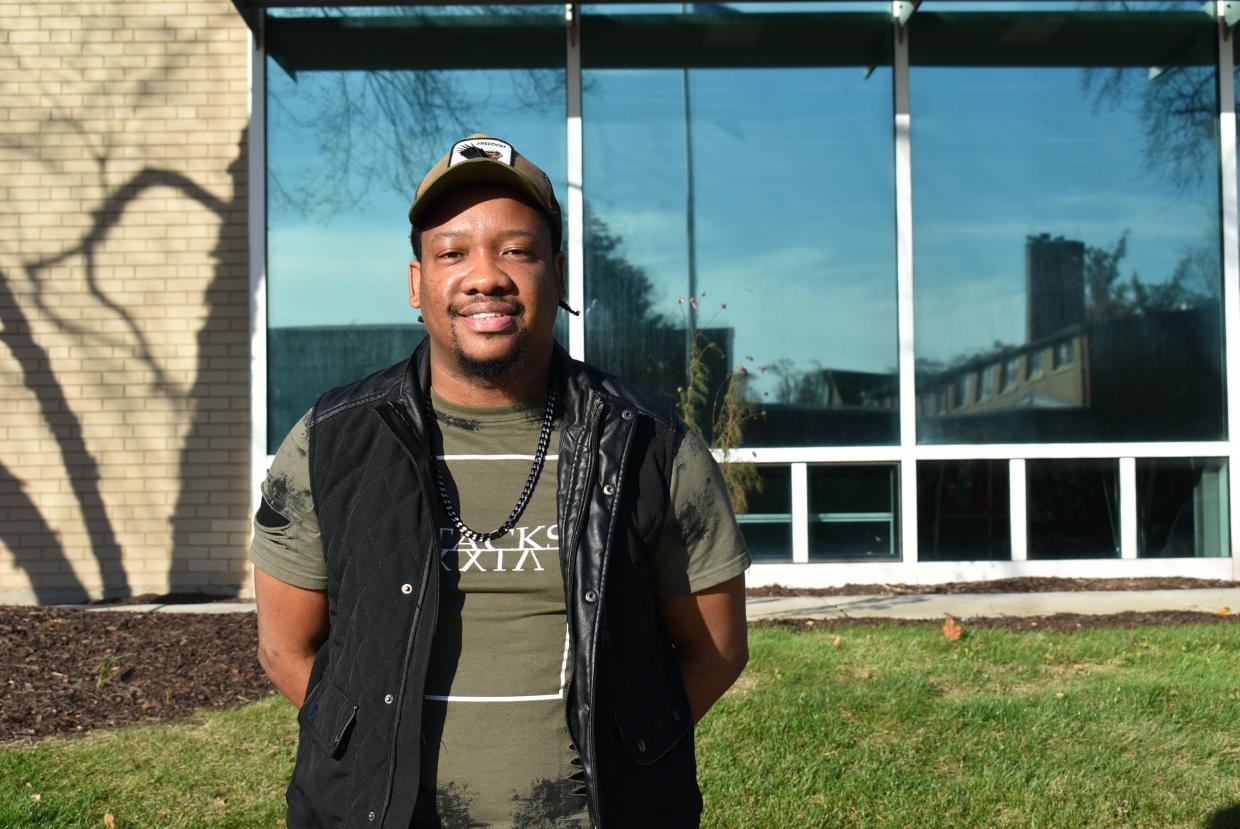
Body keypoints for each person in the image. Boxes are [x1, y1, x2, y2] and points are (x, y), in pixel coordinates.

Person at [250, 134, 751, 829]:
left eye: (517, 250)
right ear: (416, 283)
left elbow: (716, 649)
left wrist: (625, 753)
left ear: (560, 273)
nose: (484, 276)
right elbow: (285, 648)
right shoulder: (331, 442)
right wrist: (373, 753)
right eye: (452, 252)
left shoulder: (650, 444)